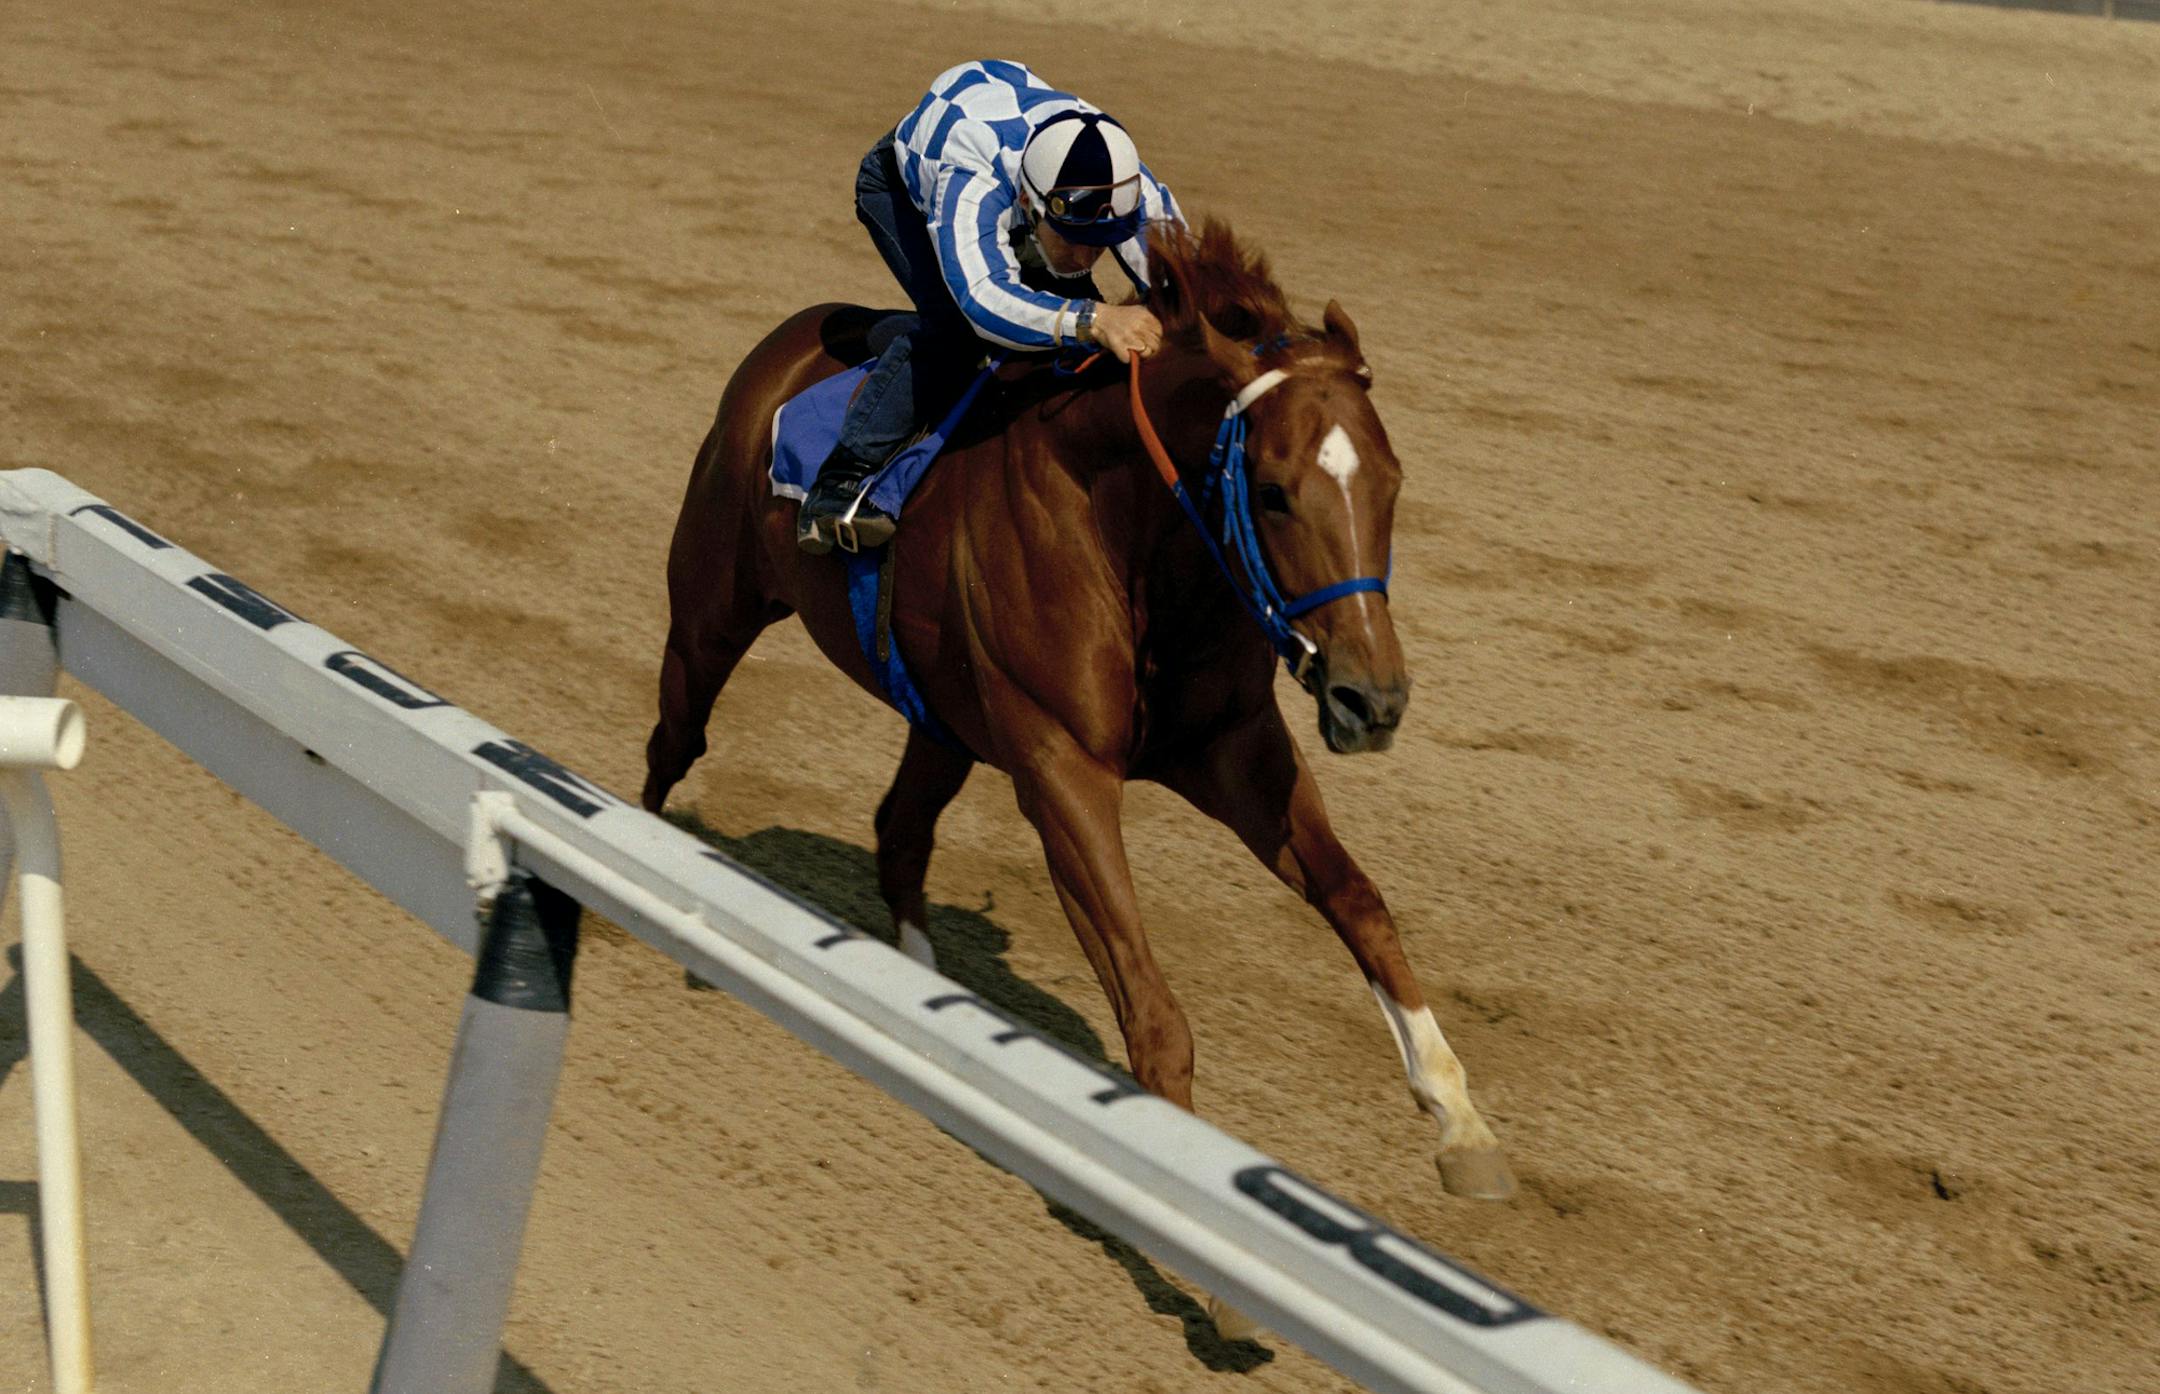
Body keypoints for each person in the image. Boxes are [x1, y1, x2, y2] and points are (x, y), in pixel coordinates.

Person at [796, 59, 1183, 553]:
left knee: (1074, 320)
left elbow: (1187, 285)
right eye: (1072, 239)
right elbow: (982, 298)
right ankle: (841, 480)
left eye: (1100, 243)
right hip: (901, 187)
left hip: (1024, 168)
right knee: (958, 331)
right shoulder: (972, 179)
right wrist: (1095, 318)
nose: (1086, 257)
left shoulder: (1127, 184)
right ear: (1028, 202)